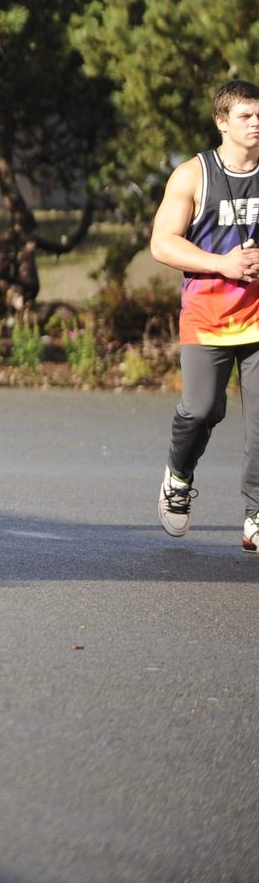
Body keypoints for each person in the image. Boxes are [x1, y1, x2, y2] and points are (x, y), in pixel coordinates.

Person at [150, 77, 259, 554]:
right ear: (222, 122)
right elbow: (162, 242)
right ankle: (178, 477)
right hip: (208, 317)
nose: (257, 123)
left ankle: (256, 513)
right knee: (200, 410)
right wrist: (223, 263)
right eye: (246, 116)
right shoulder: (193, 175)